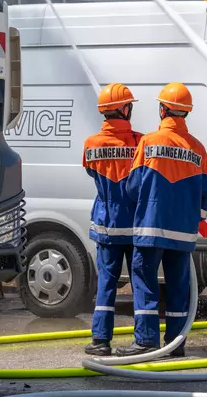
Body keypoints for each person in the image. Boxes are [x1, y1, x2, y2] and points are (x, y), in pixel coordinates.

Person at [117, 82, 207, 357]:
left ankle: (146, 341)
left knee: (145, 282)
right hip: (183, 234)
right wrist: (191, 218)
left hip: (150, 228)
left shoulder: (148, 142)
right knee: (178, 288)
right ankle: (175, 343)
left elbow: (132, 188)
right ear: (187, 113)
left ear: (162, 110)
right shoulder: (198, 149)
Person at [82, 83, 143, 356]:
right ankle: (143, 339)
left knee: (106, 284)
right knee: (140, 282)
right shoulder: (141, 142)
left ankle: (100, 341)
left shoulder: (91, 144)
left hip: (106, 225)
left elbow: (92, 174)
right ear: (124, 108)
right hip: (135, 225)